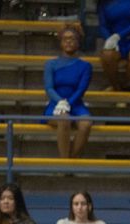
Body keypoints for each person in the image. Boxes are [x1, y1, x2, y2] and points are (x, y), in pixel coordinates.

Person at [44, 24, 92, 159]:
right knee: (64, 119)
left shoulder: (85, 66)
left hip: (75, 103)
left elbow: (81, 89)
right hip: (56, 103)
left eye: (72, 39)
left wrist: (68, 103)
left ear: (78, 42)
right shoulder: (50, 64)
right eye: (65, 39)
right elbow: (49, 88)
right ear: (60, 42)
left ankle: (72, 161)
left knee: (86, 124)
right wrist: (60, 102)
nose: (69, 42)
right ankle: (64, 163)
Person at [98, 0, 130, 92]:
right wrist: (109, 39)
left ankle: (127, 88)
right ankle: (116, 88)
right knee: (107, 55)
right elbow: (103, 25)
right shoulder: (103, 2)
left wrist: (119, 36)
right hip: (114, 42)